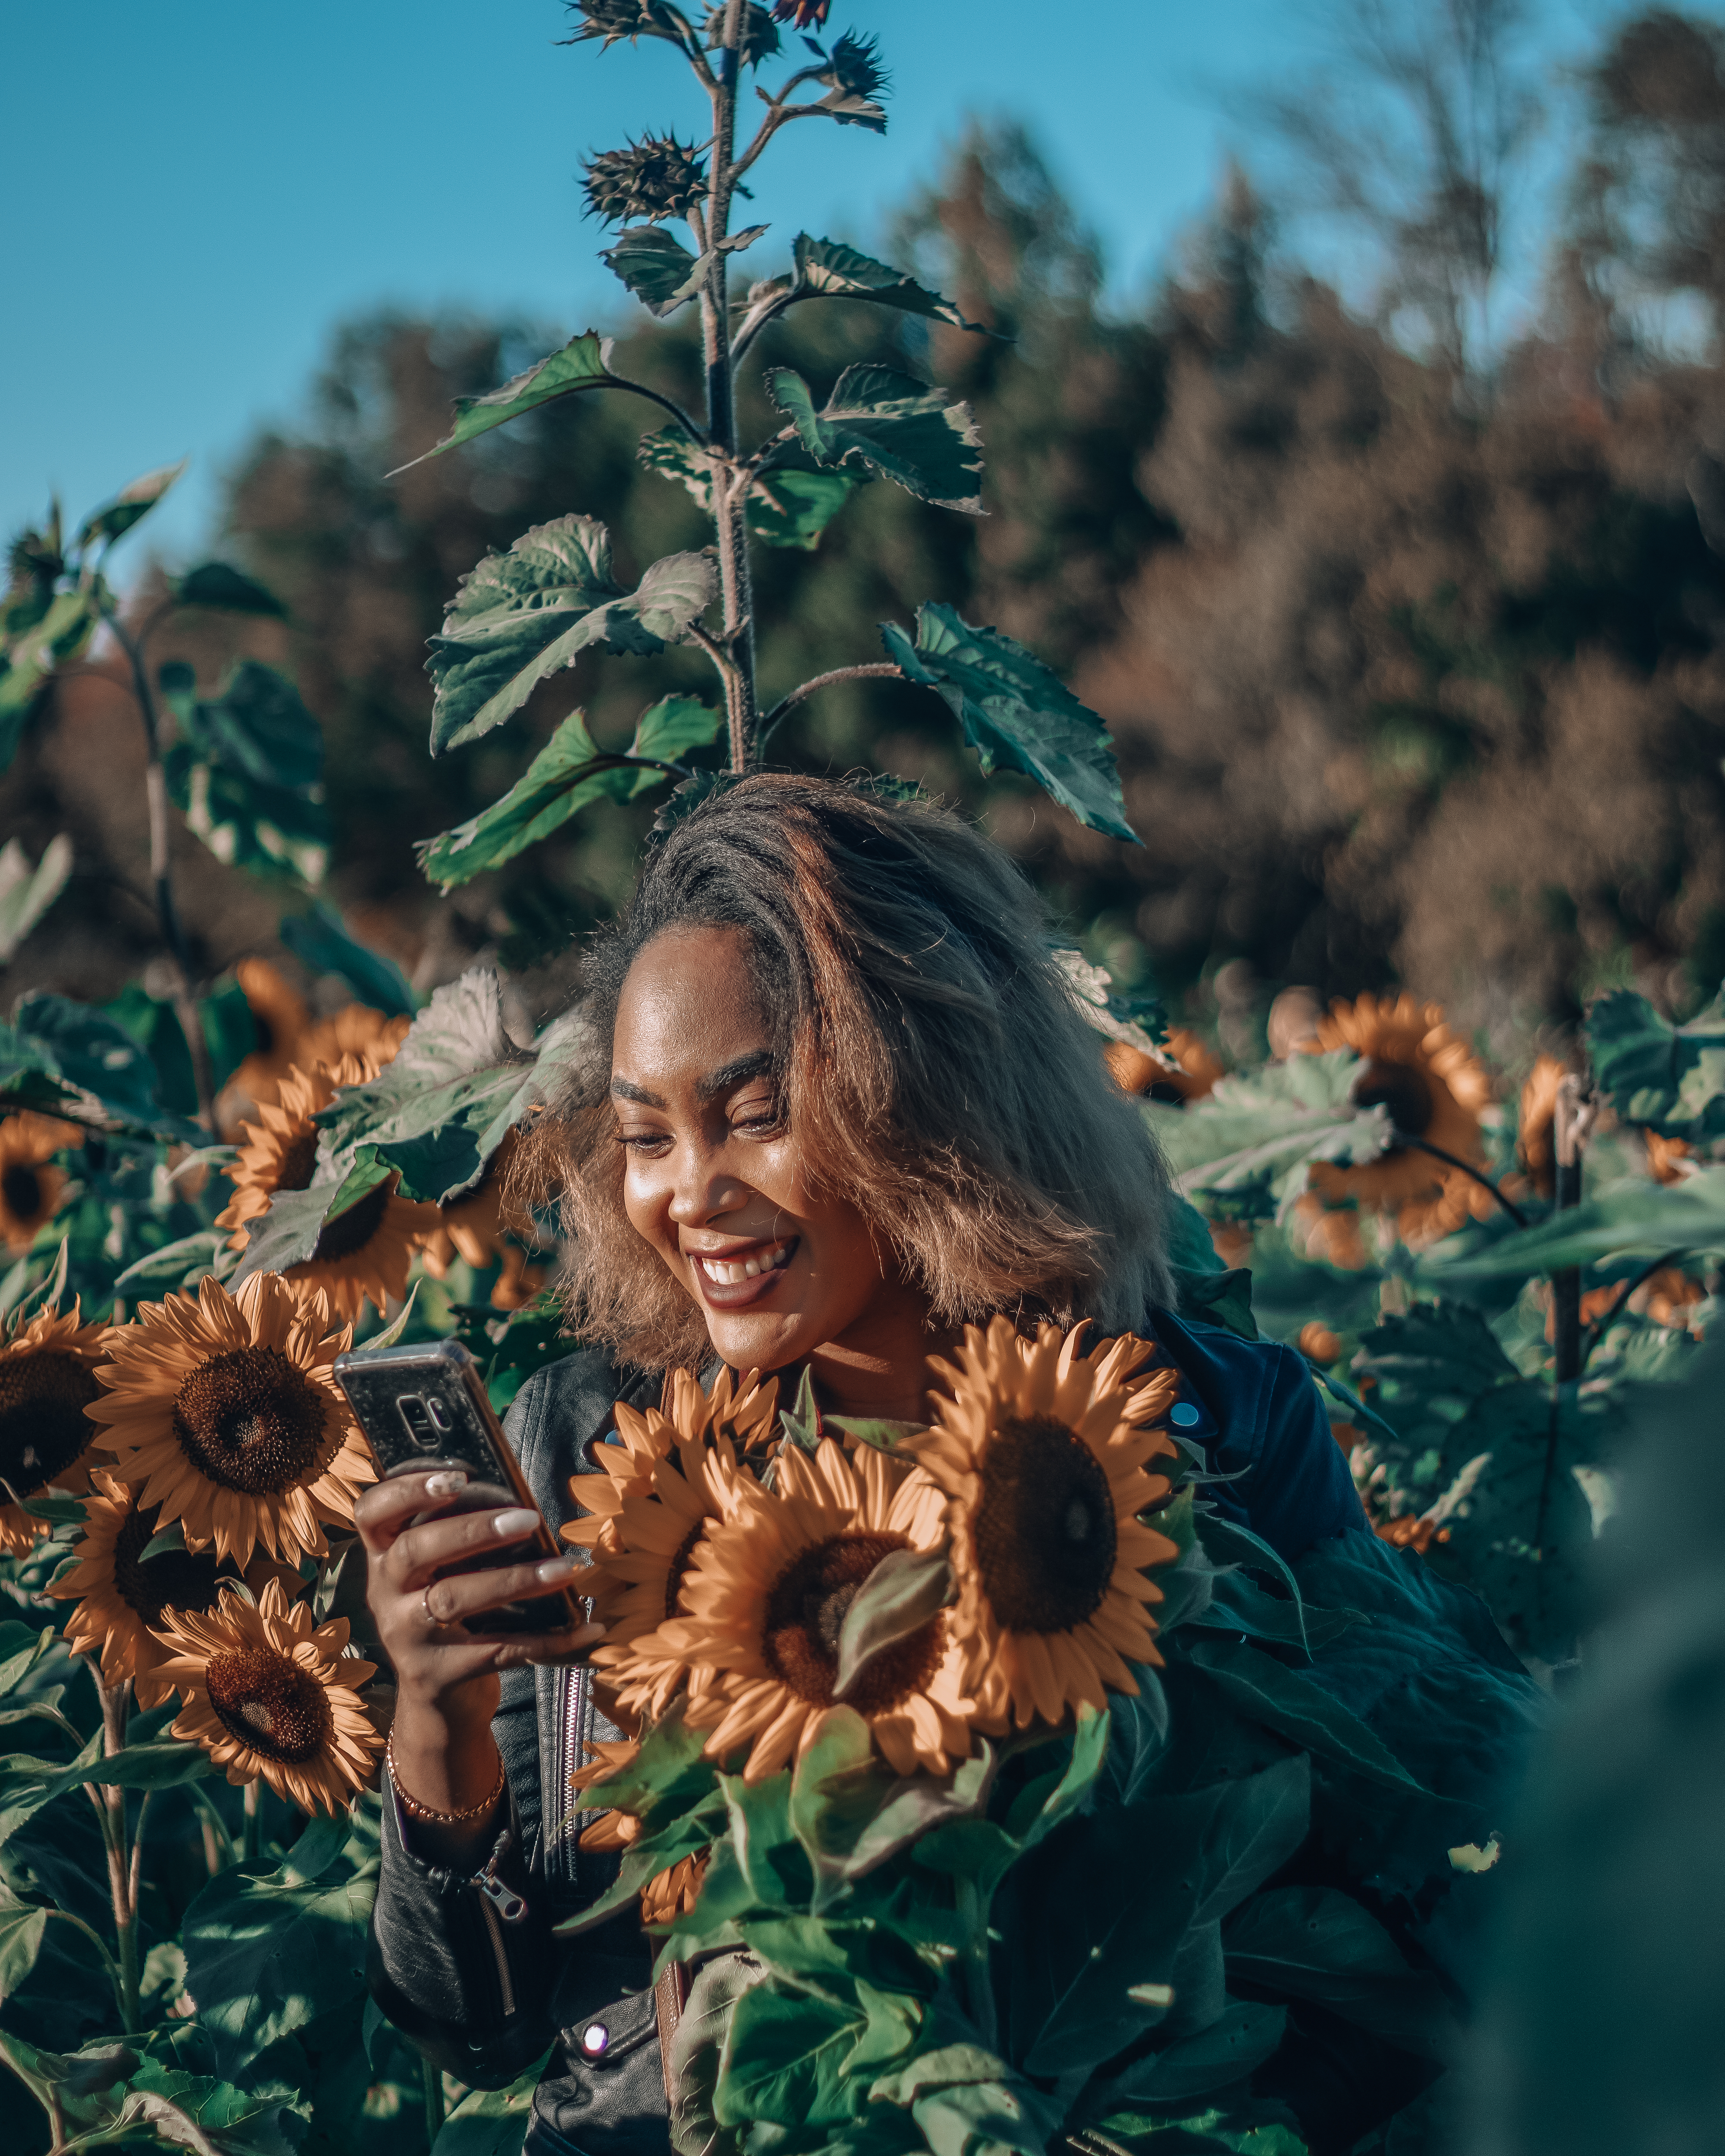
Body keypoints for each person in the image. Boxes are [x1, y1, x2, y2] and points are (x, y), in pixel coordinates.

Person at [357, 774, 1372, 2155]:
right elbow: (472, 2023)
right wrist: (438, 1724)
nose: (691, 1191)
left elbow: (1375, 1906)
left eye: (756, 1111)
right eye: (648, 1134)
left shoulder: (1216, 1428)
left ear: (930, 1096)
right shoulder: (605, 1448)